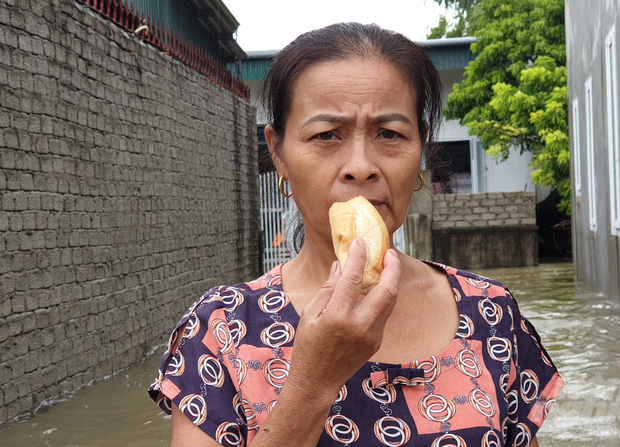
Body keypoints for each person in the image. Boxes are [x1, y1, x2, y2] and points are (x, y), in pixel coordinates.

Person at [148, 23, 563, 447]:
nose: (361, 166)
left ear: (420, 148)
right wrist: (313, 383)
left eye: (390, 134)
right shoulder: (221, 332)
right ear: (279, 154)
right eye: (326, 135)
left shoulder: (491, 314)